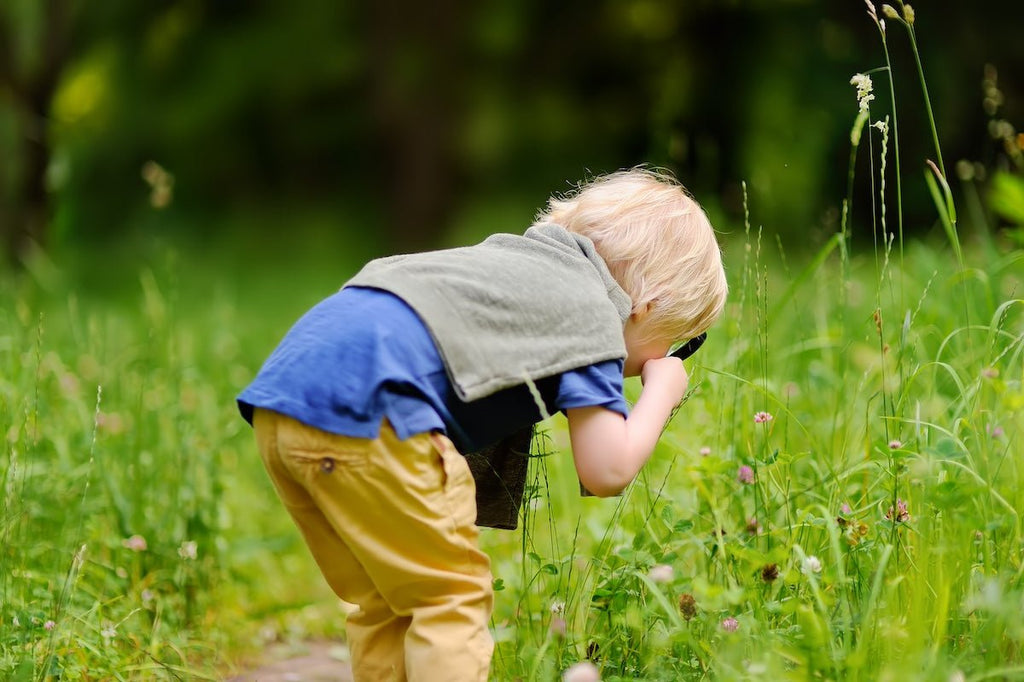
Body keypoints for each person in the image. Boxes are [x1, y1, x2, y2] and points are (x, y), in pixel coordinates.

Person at [237, 167, 728, 682]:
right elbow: (607, 468)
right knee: (450, 595)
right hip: (376, 411)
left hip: (285, 401)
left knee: (390, 601)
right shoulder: (592, 310)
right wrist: (662, 390)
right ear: (646, 307)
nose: (656, 360)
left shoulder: (516, 266)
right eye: (672, 342)